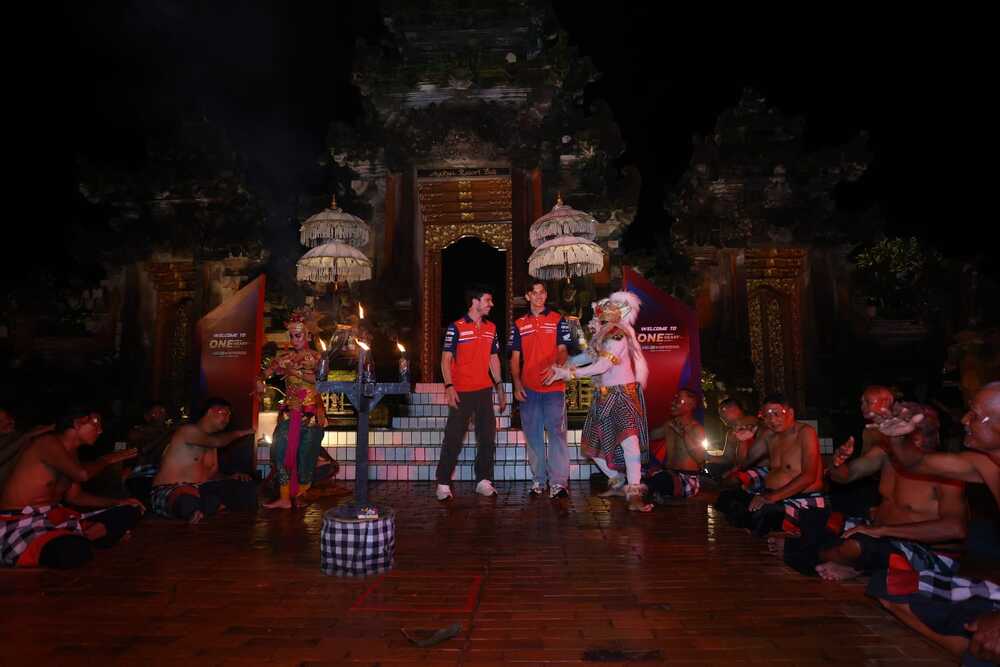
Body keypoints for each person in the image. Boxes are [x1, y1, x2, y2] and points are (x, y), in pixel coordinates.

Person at [879, 383, 1000, 665]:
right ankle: (970, 648)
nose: (964, 420)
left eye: (975, 415)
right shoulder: (985, 464)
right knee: (893, 586)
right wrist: (898, 438)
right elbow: (915, 463)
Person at [806, 407, 968, 582]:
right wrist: (838, 463)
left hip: (928, 552)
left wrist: (881, 531)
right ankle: (848, 562)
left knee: (855, 546)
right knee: (814, 519)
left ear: (919, 438)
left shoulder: (945, 472)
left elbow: (955, 529)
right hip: (880, 534)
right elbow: (845, 476)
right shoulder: (886, 455)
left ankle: (846, 564)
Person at [544, 291, 651, 512]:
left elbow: (602, 366)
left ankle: (634, 492)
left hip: (623, 394)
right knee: (590, 445)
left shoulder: (618, 336)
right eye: (594, 316)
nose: (593, 321)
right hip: (603, 396)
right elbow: (587, 357)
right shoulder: (603, 335)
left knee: (629, 442)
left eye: (597, 317)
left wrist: (569, 374)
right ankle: (618, 481)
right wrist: (561, 365)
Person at [0, 408, 142, 568]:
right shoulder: (47, 442)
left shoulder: (71, 452)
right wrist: (106, 460)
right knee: (73, 551)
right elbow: (82, 475)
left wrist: (117, 503)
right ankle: (82, 539)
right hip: (21, 521)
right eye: (95, 423)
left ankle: (79, 538)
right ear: (77, 423)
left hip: (54, 519)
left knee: (131, 509)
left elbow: (75, 497)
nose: (100, 430)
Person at [714, 393, 825, 537]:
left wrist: (770, 498)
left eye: (777, 414)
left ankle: (777, 530)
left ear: (790, 413)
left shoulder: (805, 432)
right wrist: (743, 440)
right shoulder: (769, 435)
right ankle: (762, 525)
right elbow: (743, 464)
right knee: (726, 499)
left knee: (763, 513)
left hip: (802, 500)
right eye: (767, 416)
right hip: (771, 495)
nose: (772, 420)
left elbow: (809, 476)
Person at [436, 285, 507, 500]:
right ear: (475, 302)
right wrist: (449, 386)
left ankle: (483, 480)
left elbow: (493, 358)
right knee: (453, 437)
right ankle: (443, 483)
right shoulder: (456, 328)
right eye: (487, 300)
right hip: (462, 391)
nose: (491, 304)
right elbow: (445, 360)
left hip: (484, 390)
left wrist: (500, 387)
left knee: (487, 437)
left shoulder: (491, 327)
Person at [257, 307, 328, 509]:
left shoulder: (317, 357)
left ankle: (301, 494)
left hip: (311, 413)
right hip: (290, 412)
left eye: (298, 335)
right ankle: (284, 497)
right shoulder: (285, 357)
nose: (294, 339)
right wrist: (259, 380)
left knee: (306, 456)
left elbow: (320, 381)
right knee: (279, 449)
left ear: (308, 335)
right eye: (291, 336)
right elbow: (266, 372)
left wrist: (295, 373)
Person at [510, 280, 572, 498]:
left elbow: (563, 350)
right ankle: (538, 480)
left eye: (542, 292)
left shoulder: (557, 319)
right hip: (529, 389)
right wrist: (517, 383)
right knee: (533, 435)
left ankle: (559, 483)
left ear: (546, 295)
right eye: (534, 293)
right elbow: (514, 358)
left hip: (554, 386)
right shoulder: (519, 324)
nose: (539, 296)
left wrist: (556, 366)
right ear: (528, 296)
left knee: (557, 434)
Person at [151, 399, 256, 523]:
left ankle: (205, 506)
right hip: (171, 489)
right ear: (210, 412)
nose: (227, 419)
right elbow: (218, 442)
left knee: (245, 488)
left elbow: (212, 474)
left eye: (229, 415)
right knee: (186, 500)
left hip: (201, 488)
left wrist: (230, 477)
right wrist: (242, 433)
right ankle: (200, 507)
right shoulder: (187, 431)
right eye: (224, 413)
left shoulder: (212, 442)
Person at [645, 389, 706, 501]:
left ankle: (647, 491)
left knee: (659, 480)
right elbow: (647, 437)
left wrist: (683, 434)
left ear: (691, 405)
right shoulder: (669, 425)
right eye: (674, 399)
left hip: (688, 480)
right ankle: (648, 490)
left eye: (678, 401)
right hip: (669, 474)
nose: (673, 403)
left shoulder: (697, 429)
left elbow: (700, 459)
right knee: (640, 473)